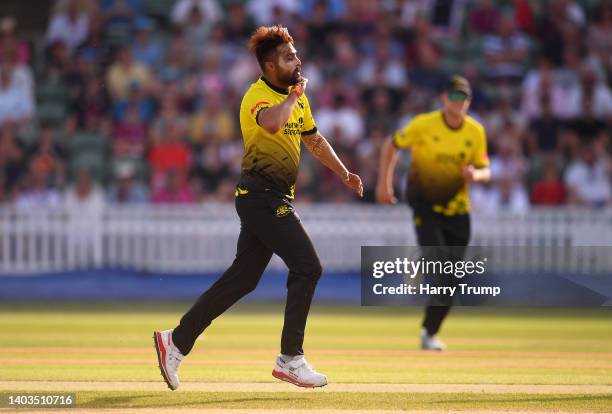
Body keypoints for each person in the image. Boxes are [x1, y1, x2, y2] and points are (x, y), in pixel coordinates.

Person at [154, 25, 363, 389]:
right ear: (269, 66)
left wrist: (344, 173)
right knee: (308, 266)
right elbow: (271, 124)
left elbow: (313, 139)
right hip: (261, 196)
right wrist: (294, 96)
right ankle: (290, 359)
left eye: (295, 54)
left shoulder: (295, 97)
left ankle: (176, 340)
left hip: (270, 198)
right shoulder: (258, 95)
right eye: (288, 57)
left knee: (243, 279)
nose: (296, 60)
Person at [376, 75, 490, 351]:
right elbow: (391, 145)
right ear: (443, 98)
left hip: (458, 211)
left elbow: (486, 170)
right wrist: (384, 183)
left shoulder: (475, 131)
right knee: (440, 268)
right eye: (453, 97)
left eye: (463, 98)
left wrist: (476, 174)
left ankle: (429, 331)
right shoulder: (424, 125)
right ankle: (422, 267)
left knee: (451, 278)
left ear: (469, 101)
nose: (458, 102)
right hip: (425, 207)